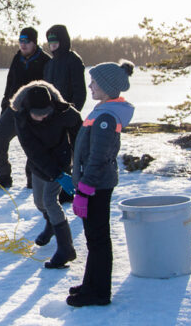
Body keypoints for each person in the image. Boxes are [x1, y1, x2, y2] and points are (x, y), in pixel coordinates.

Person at [67, 60, 135, 308]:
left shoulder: (106, 116)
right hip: (92, 184)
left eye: (94, 82)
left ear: (106, 86)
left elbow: (98, 157)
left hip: (96, 186)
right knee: (93, 238)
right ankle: (91, 283)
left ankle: (99, 292)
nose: (90, 85)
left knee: (97, 239)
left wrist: (84, 190)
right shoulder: (103, 109)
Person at [9, 80, 82, 269]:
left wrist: (78, 162)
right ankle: (51, 225)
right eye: (37, 115)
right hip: (39, 163)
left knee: (50, 201)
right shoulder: (21, 116)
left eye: (46, 114)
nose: (42, 118)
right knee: (39, 202)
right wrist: (56, 174)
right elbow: (33, 151)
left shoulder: (63, 111)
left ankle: (66, 248)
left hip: (61, 159)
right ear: (28, 110)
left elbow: (80, 133)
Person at [0, 27, 49, 190]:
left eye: (27, 41)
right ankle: (4, 177)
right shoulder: (17, 59)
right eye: (21, 41)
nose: (23, 45)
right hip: (14, 108)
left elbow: (49, 88)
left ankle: (32, 179)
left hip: (34, 111)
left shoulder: (45, 61)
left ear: (34, 43)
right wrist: (5, 104)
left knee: (32, 144)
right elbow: (10, 83)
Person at [42, 24, 86, 201]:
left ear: (63, 41)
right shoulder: (50, 64)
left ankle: (77, 189)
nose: (52, 44)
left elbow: (79, 91)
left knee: (76, 155)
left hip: (69, 116)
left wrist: (72, 112)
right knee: (58, 155)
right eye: (49, 41)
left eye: (55, 40)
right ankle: (61, 189)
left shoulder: (73, 60)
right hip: (52, 117)